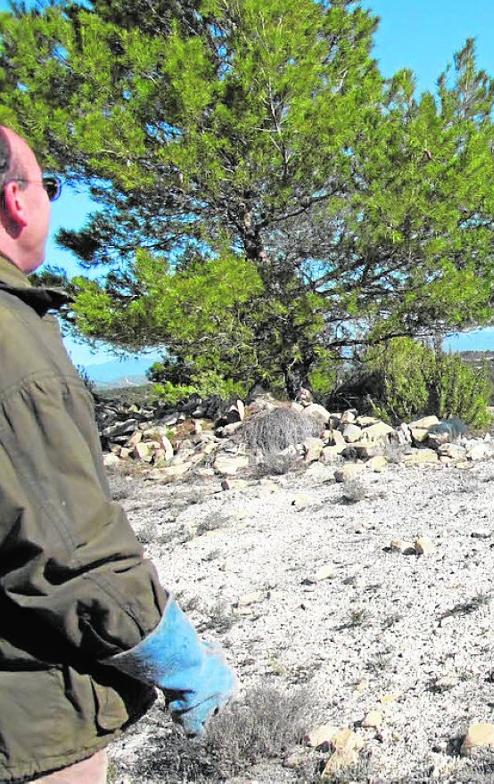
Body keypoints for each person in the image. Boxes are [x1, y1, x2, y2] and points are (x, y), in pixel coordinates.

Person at [0, 125, 236, 783]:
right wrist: (181, 664)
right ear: (17, 201)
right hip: (24, 717)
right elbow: (68, 552)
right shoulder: (10, 346)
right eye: (50, 185)